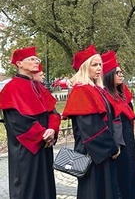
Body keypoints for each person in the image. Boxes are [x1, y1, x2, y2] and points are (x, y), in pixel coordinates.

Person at [0, 46, 61, 199]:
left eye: (37, 59)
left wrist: (52, 129)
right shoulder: (11, 88)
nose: (36, 62)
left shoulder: (39, 86)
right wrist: (42, 134)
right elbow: (17, 122)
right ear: (19, 63)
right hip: (26, 148)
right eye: (32, 59)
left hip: (44, 146)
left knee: (46, 186)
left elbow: (53, 112)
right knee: (27, 189)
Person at [62, 45, 121, 199]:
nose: (99, 68)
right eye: (94, 65)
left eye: (100, 64)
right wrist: (111, 148)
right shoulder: (81, 91)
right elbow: (91, 127)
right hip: (93, 153)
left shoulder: (96, 89)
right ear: (85, 68)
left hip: (101, 152)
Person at [101, 51, 135, 199]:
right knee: (121, 174)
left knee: (130, 171)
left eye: (121, 72)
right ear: (109, 75)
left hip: (127, 137)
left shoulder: (121, 94)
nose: (121, 75)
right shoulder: (105, 95)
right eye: (117, 72)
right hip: (118, 141)